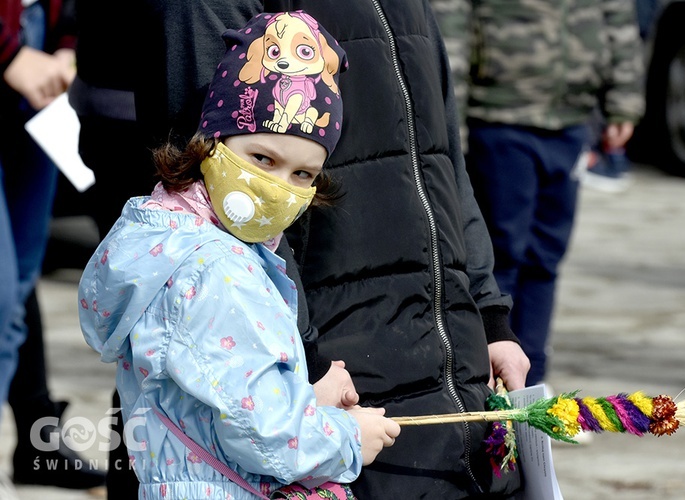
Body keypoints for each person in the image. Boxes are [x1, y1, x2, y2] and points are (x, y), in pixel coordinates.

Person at [79, 11, 401, 499]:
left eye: (303, 175)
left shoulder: (173, 242)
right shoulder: (214, 269)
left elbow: (220, 397)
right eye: (263, 159)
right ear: (213, 143)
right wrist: (348, 436)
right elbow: (269, 441)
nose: (278, 187)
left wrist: (305, 401)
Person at [466, 0, 644, 386]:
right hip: (501, 118)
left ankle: (535, 388)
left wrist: (623, 101)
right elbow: (451, 22)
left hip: (570, 121)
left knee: (545, 258)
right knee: (501, 257)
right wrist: (448, 124)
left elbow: (617, 15)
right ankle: (491, 387)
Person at [1, 0, 106, 491]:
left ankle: (37, 439)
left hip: (41, 41)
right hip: (14, 47)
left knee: (20, 281)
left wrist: (66, 44)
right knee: (2, 299)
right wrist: (7, 54)